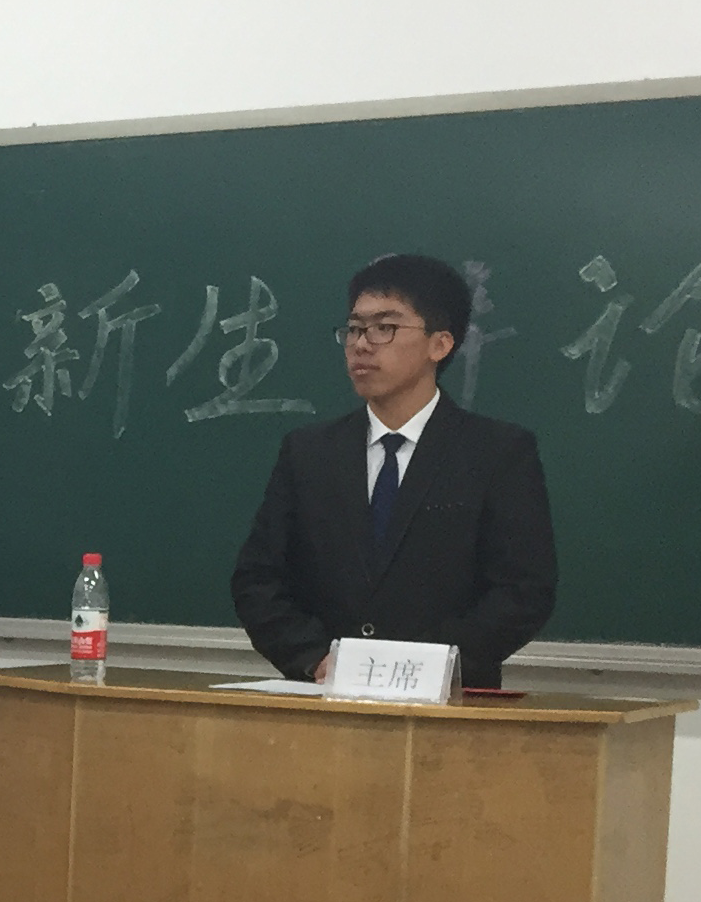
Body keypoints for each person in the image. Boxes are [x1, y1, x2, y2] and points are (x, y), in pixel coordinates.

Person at [230, 250, 558, 689]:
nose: (362, 344)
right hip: (326, 696)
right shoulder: (308, 452)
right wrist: (314, 658)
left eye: (385, 328)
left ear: (440, 344)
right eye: (354, 328)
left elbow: (523, 591)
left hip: (452, 702)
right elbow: (258, 580)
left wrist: (422, 665)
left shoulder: (498, 452)